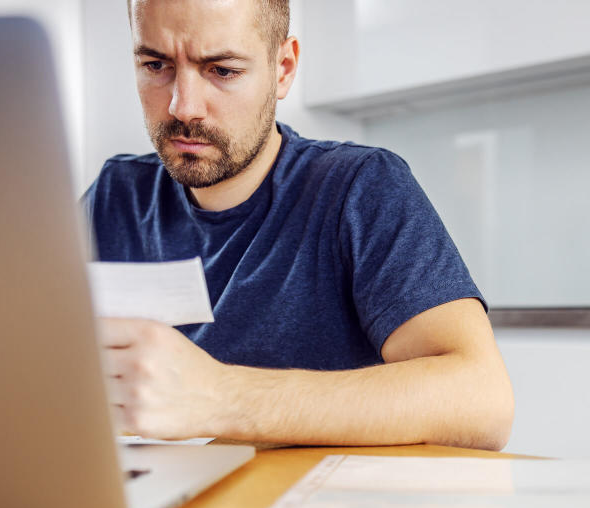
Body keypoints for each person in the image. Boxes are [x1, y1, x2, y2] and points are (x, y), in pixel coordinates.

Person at [82, 0, 514, 449]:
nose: (183, 106)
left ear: (283, 68)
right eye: (156, 65)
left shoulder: (359, 187)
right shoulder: (114, 195)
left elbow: (482, 399)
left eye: (222, 70)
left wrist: (222, 397)